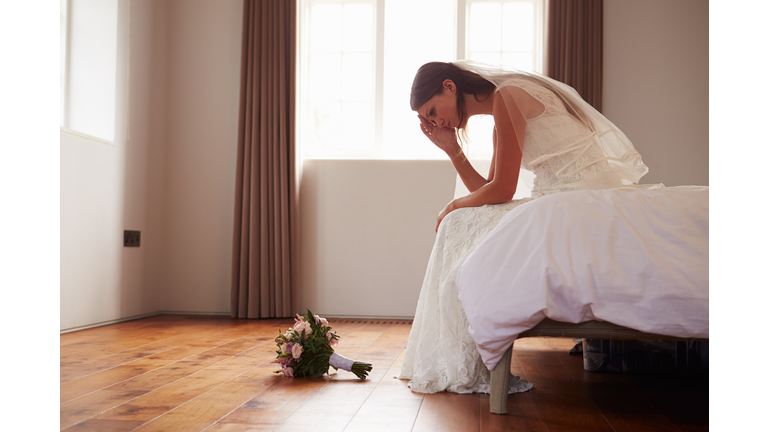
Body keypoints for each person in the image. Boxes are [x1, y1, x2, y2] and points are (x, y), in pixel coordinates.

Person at [398, 60, 659, 394]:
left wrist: (453, 205)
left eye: (433, 110)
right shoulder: (501, 109)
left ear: (450, 86)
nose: (436, 121)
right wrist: (453, 150)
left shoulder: (508, 96)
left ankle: (470, 351)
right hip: (560, 196)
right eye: (429, 119)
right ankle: (470, 346)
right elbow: (491, 190)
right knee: (461, 221)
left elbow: (501, 190)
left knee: (457, 220)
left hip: (578, 195)